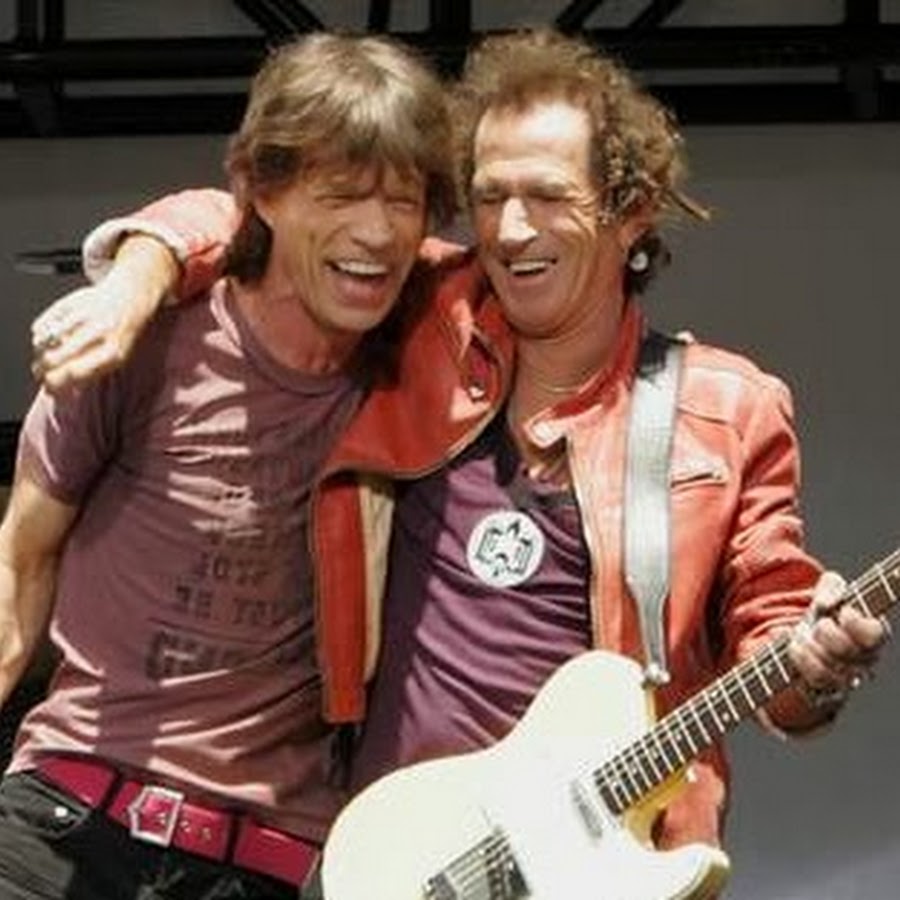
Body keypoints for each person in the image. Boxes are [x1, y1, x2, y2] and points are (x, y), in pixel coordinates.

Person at [28, 26, 889, 893]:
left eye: (547, 196)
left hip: (591, 872)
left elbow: (780, 639)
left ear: (631, 211)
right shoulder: (427, 320)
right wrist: (137, 275)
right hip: (387, 862)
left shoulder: (724, 408)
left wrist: (818, 668)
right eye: (489, 197)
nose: (512, 230)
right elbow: (263, 214)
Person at [0, 31, 462, 900]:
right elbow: (19, 561)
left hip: (273, 861)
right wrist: (137, 277)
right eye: (340, 193)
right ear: (263, 192)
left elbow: (538, 279)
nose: (376, 232)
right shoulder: (141, 343)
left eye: (404, 202)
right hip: (72, 815)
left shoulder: (425, 353)